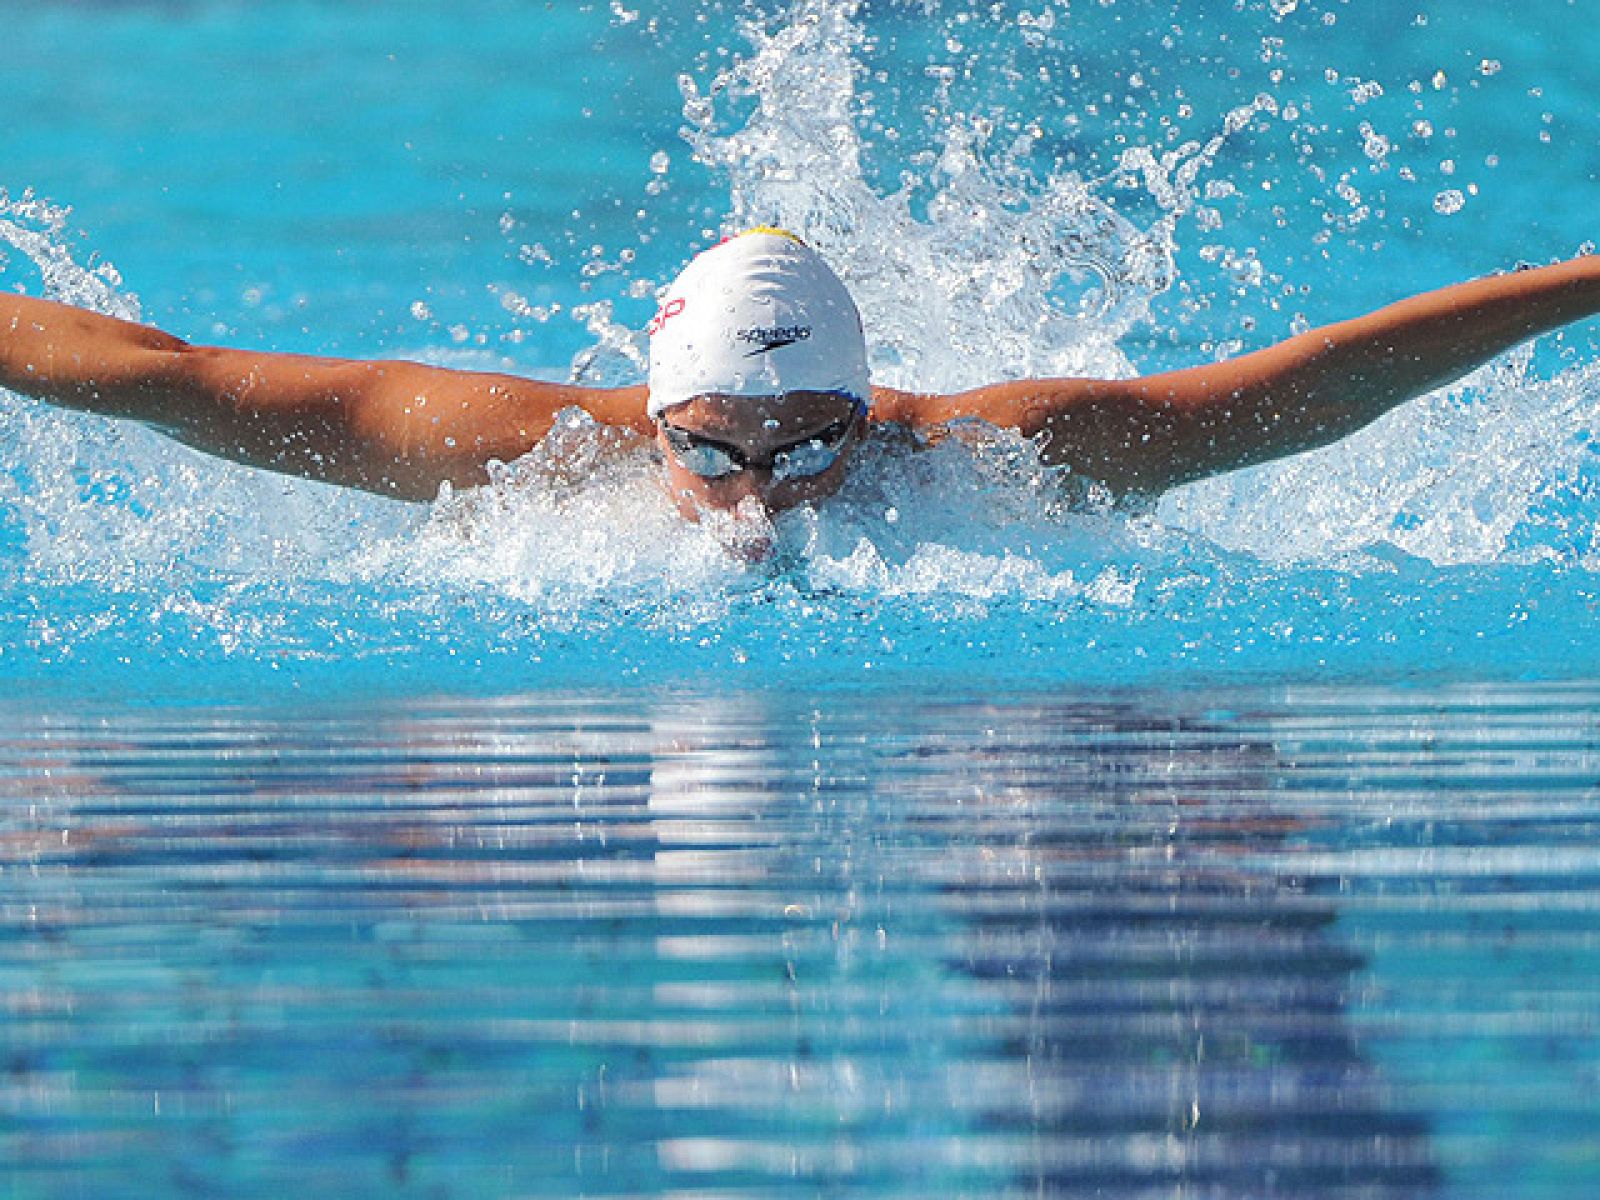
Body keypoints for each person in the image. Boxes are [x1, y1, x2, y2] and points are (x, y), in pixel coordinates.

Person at [2, 225, 1597, 523]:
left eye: (812, 447)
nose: (761, 502)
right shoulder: (510, 451)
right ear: (649, 413)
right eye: (708, 454)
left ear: (871, 409)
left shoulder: (988, 459)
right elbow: (173, 377)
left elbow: (1305, 385)